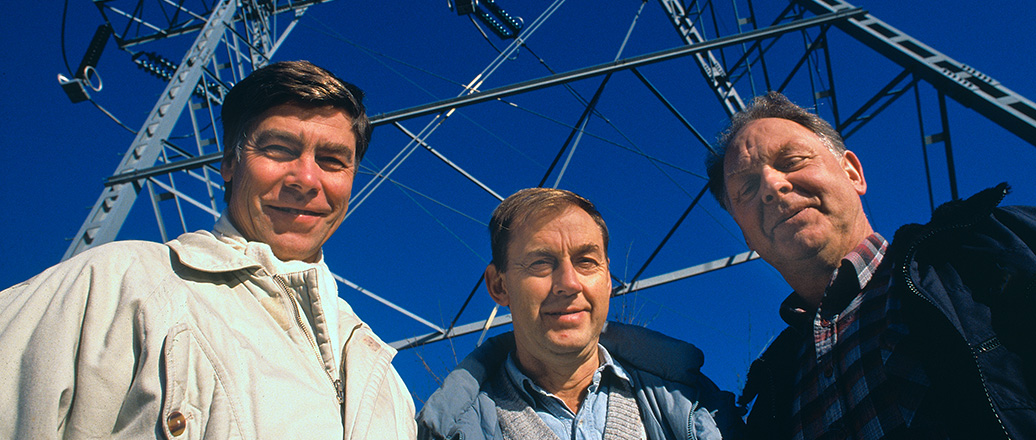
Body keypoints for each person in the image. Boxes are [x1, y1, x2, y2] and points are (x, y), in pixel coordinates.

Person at [0, 60, 416, 439]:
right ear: (230, 163)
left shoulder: (386, 384)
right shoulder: (119, 284)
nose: (306, 178)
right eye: (279, 149)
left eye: (331, 160)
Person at [706, 91, 1036, 439]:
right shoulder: (768, 397)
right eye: (747, 188)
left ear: (852, 172)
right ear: (746, 236)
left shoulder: (1000, 246)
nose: (772, 186)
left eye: (793, 160)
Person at [417, 187, 744, 440]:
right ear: (499, 286)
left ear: (607, 279)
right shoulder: (449, 429)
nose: (569, 283)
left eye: (586, 261)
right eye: (541, 263)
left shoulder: (701, 408)